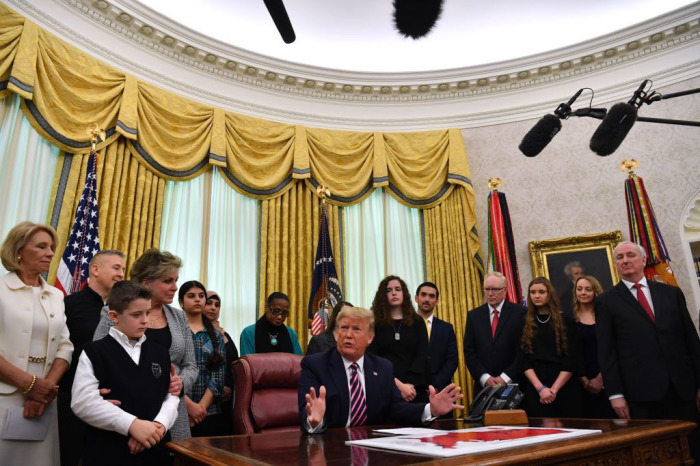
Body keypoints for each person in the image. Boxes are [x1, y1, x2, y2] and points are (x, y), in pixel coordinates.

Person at [596, 241, 700, 460]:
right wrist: (615, 394)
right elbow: (607, 352)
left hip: (683, 388)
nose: (625, 260)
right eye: (620, 257)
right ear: (615, 264)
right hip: (641, 393)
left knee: (692, 448)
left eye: (630, 255)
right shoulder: (606, 301)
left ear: (643, 260)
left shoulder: (671, 293)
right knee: (654, 454)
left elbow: (691, 341)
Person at [298, 307, 464, 432]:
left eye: (356, 329)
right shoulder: (315, 365)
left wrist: (430, 409)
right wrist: (315, 422)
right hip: (331, 447)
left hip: (372, 446)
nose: (348, 335)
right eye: (343, 328)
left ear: (370, 338)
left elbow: (396, 408)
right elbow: (308, 416)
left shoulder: (382, 367)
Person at [72, 281, 178, 466]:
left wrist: (158, 426)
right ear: (114, 316)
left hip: (156, 450)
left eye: (147, 312)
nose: (145, 320)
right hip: (109, 452)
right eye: (136, 315)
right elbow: (83, 402)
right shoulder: (94, 351)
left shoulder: (160, 352)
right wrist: (133, 425)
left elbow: (172, 396)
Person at [94, 248, 195, 439]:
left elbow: (191, 365)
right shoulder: (113, 312)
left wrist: (180, 383)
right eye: (168, 281)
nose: (175, 287)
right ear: (146, 283)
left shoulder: (179, 317)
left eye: (176, 280)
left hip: (172, 416)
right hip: (126, 412)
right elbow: (98, 360)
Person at [0, 222, 73, 466]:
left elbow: (65, 347)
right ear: (19, 250)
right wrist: (29, 384)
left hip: (44, 401)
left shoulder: (56, 295)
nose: (51, 253)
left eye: (52, 247)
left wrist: (44, 389)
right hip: (5, 395)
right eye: (41, 246)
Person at [59, 249, 126, 466]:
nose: (121, 274)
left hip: (113, 404)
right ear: (95, 269)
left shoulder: (123, 310)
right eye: (116, 268)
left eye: (123, 269)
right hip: (70, 402)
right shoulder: (68, 305)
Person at [519, 277, 581, 418]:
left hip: (564, 385)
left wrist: (553, 389)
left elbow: (571, 359)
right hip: (535, 385)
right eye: (533, 292)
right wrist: (541, 389)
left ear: (549, 294)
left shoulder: (567, 322)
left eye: (541, 292)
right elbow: (523, 359)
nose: (536, 296)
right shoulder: (523, 322)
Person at [368, 275, 431, 403]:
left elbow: (422, 355)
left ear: (404, 293)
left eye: (398, 289)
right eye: (389, 290)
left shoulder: (417, 321)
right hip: (385, 385)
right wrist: (399, 386)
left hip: (414, 389)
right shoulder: (375, 323)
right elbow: (373, 358)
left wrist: (409, 385)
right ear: (383, 295)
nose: (394, 293)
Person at [464, 272, 526, 392]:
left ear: (505, 290)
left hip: (513, 385)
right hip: (484, 388)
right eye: (487, 289)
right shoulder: (473, 316)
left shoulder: (520, 313)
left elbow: (524, 350)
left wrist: (505, 377)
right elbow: (469, 352)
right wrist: (484, 377)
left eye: (495, 289)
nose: (490, 293)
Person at [179, 281, 226, 437]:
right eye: (191, 296)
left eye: (201, 296)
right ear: (181, 303)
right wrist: (188, 406)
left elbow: (218, 377)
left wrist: (200, 409)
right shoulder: (175, 332)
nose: (197, 300)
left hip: (209, 412)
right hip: (177, 407)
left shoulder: (216, 335)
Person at [573, 275, 615, 418]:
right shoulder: (569, 319)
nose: (583, 293)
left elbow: (612, 348)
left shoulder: (606, 316)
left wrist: (600, 378)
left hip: (607, 378)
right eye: (579, 289)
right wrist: (583, 379)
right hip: (580, 383)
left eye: (588, 289)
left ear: (596, 292)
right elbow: (571, 353)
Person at [203, 290, 238, 435]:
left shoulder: (225, 335)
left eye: (217, 305)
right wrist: (219, 387)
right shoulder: (196, 333)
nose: (213, 308)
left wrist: (229, 386)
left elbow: (234, 363)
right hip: (204, 398)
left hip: (226, 400)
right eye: (209, 303)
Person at [415, 282, 457, 392]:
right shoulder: (405, 326)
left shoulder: (446, 328)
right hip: (412, 392)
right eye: (423, 295)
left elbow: (452, 361)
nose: (427, 299)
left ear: (437, 301)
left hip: (441, 391)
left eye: (431, 296)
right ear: (416, 298)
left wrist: (436, 385)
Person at [239, 292, 302, 356]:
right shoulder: (248, 333)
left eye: (284, 312)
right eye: (276, 311)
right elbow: (247, 363)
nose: (280, 317)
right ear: (266, 308)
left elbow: (298, 361)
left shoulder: (291, 333)